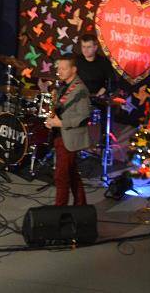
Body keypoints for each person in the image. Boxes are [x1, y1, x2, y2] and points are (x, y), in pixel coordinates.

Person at [44, 55, 91, 207]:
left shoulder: (80, 90)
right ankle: (81, 205)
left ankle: (60, 209)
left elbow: (84, 117)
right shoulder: (63, 86)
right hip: (61, 135)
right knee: (71, 173)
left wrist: (60, 123)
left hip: (69, 138)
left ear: (73, 70)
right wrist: (52, 119)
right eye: (59, 68)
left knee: (61, 176)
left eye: (64, 69)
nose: (60, 71)